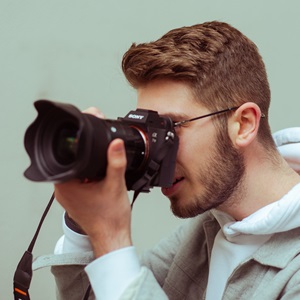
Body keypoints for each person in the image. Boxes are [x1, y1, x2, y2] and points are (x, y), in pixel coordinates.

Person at [33, 21, 300, 299]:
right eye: (149, 130)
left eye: (171, 127)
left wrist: (111, 235)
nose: (158, 152)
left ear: (243, 124)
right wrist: (84, 225)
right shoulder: (210, 227)